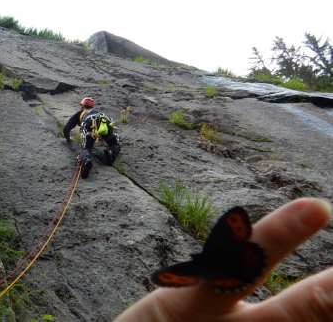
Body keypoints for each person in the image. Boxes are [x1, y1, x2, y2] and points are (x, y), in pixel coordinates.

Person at [113, 197, 333, 322]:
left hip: (215, 278)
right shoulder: (215, 246)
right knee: (241, 254)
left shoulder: (194, 266)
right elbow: (234, 222)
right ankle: (245, 267)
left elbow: (174, 276)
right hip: (241, 259)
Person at [63, 97, 122, 178]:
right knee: (114, 144)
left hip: (90, 124)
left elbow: (66, 128)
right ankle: (111, 154)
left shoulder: (79, 114)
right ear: (92, 107)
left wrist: (68, 138)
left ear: (82, 107)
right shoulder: (99, 113)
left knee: (86, 148)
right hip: (105, 123)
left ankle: (86, 160)